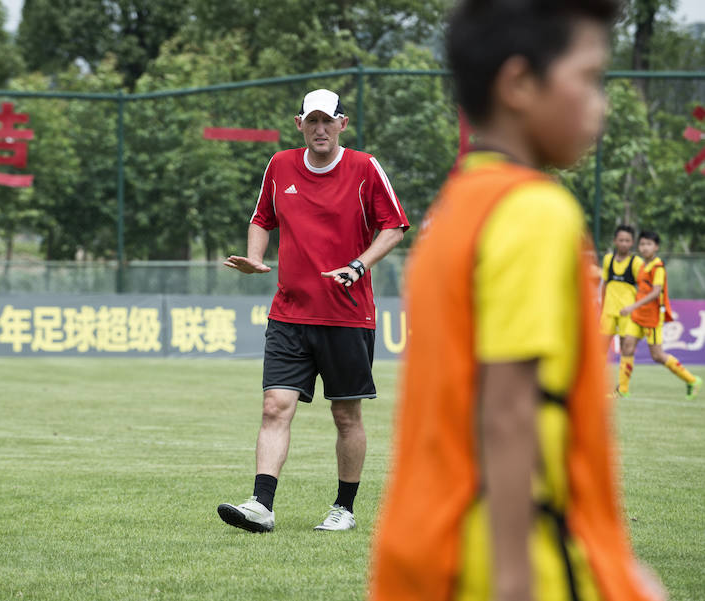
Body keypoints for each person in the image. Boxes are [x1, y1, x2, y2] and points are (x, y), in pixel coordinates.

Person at [370, 1, 665, 600]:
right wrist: (515, 582)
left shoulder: (452, 213)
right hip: (512, 561)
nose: (600, 103)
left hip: (425, 550)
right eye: (588, 78)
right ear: (519, 84)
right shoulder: (534, 212)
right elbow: (507, 410)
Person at [218, 89, 409, 533]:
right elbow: (262, 218)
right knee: (274, 407)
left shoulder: (364, 167)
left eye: (328, 121)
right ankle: (260, 506)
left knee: (346, 415)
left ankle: (344, 507)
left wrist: (359, 264)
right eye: (312, 121)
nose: (320, 129)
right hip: (289, 313)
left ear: (343, 124)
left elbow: (395, 227)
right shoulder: (280, 165)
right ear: (299, 123)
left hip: (347, 316)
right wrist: (255, 257)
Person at [617, 230, 702, 399]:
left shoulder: (658, 267)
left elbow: (656, 293)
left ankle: (692, 380)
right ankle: (622, 389)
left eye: (649, 244)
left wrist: (632, 305)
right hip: (638, 316)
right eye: (642, 244)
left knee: (657, 355)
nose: (645, 247)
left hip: (653, 317)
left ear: (656, 247)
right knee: (627, 346)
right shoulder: (642, 265)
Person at [600, 225, 644, 363]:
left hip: (627, 310)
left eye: (627, 240)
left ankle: (623, 385)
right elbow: (605, 284)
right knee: (601, 347)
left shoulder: (637, 262)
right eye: (621, 240)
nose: (624, 243)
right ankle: (598, 384)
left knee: (627, 348)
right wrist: (601, 306)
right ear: (615, 241)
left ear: (632, 243)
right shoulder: (608, 259)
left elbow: (643, 288)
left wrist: (637, 308)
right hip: (608, 310)